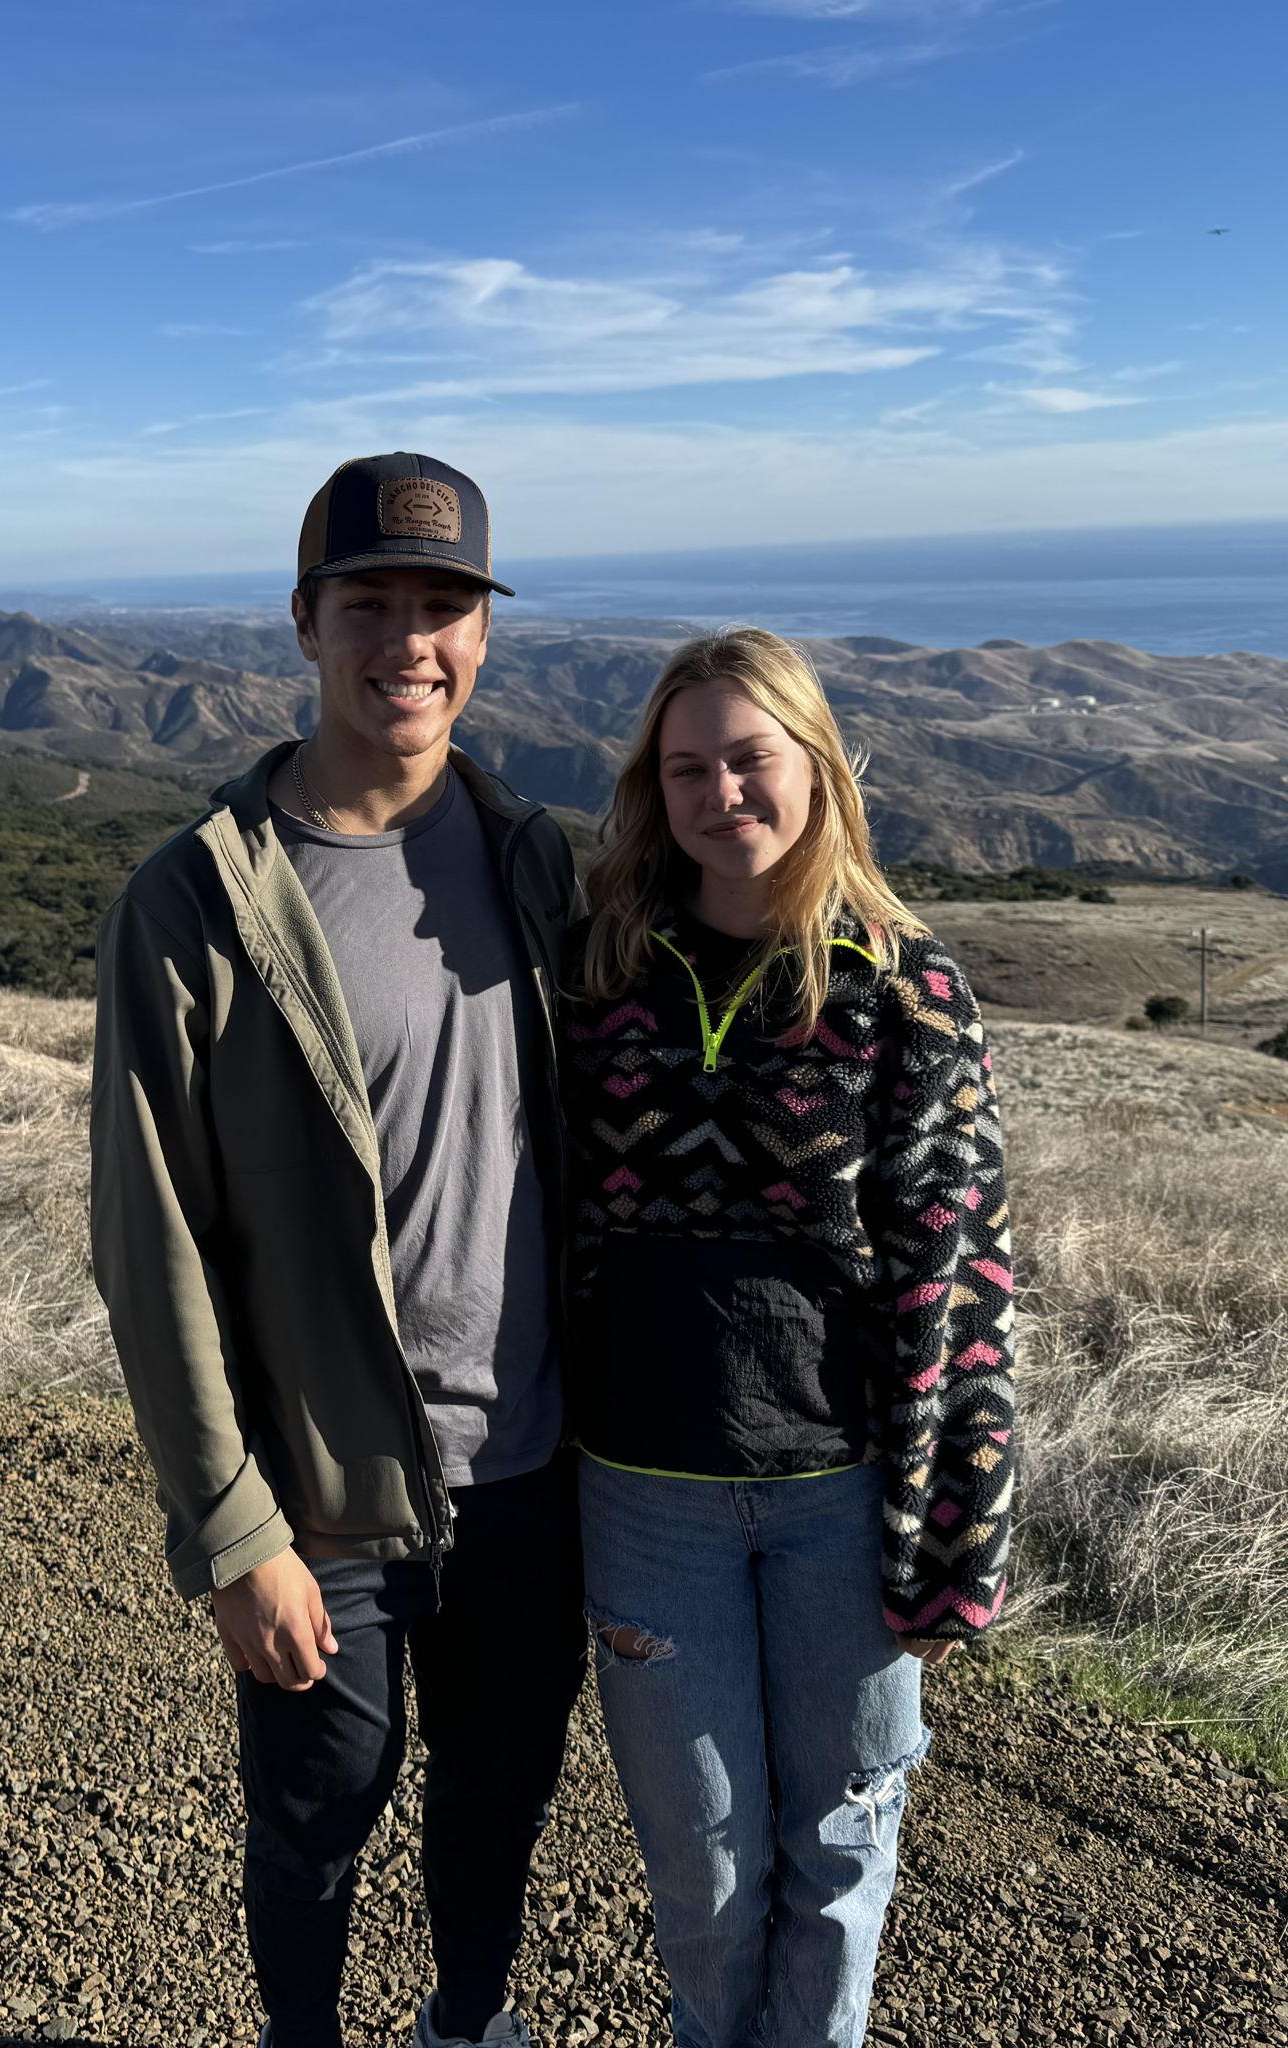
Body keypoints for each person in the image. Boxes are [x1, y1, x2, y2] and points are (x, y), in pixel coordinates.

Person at [89, 453, 585, 2048]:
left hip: (531, 1473)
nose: (410, 640)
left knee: (496, 1805)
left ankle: (468, 2025)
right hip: (325, 1494)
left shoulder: (536, 863)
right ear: (304, 623)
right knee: (317, 1824)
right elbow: (147, 1242)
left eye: (444, 605)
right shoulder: (197, 900)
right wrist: (234, 1534)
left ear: (486, 635)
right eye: (370, 602)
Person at [561, 627, 1016, 2048]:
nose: (721, 794)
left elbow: (962, 1272)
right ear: (654, 786)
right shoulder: (602, 968)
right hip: (645, 1494)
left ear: (818, 769)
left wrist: (960, 1541)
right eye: (686, 766)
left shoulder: (906, 987)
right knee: (702, 1872)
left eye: (750, 760)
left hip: (841, 1499)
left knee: (839, 1852)